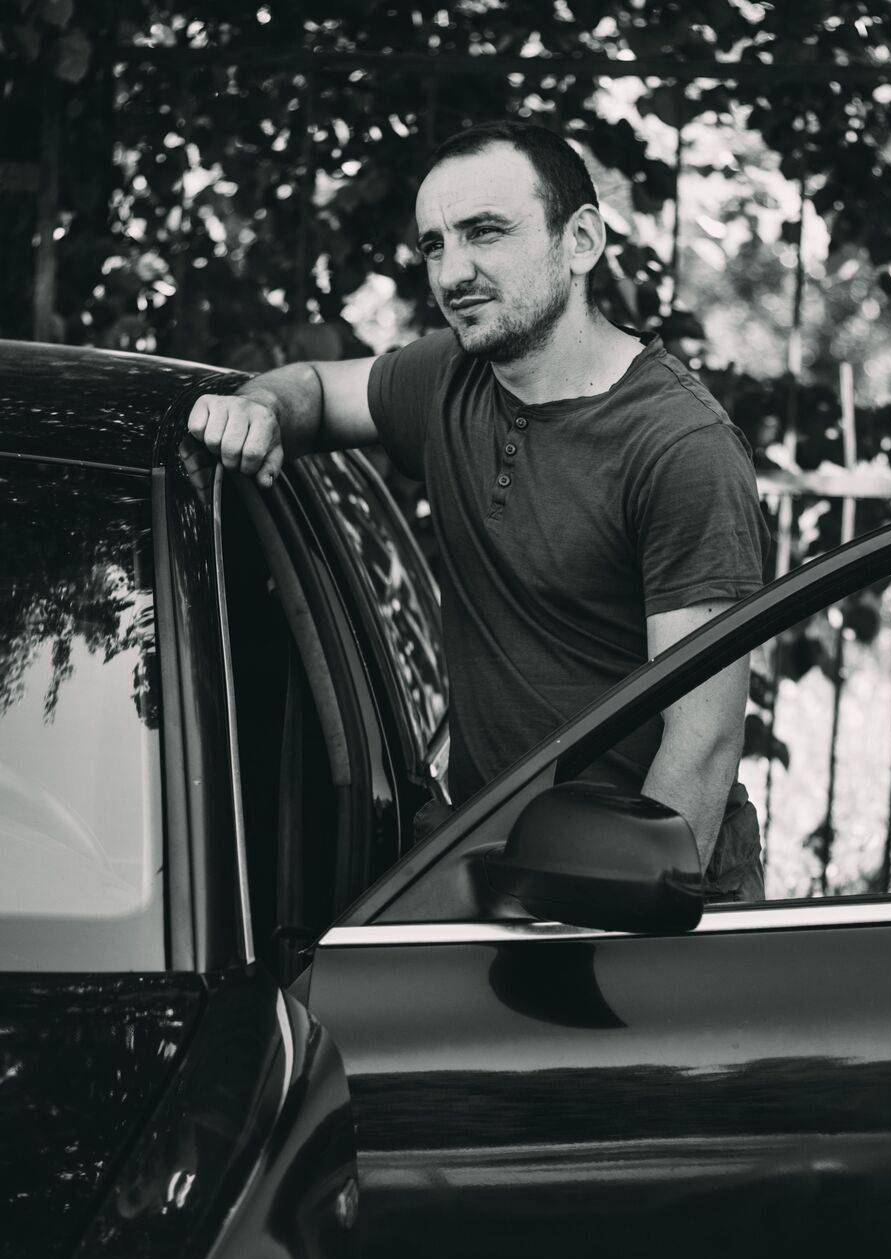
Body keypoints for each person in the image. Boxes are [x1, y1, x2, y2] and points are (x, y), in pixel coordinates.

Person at [188, 120, 770, 901]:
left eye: (485, 232)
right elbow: (318, 391)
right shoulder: (450, 379)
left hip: (640, 892)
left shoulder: (680, 448)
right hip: (487, 866)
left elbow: (703, 743)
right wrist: (259, 408)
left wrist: (612, 921)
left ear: (581, 241)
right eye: (434, 245)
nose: (453, 272)